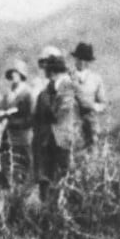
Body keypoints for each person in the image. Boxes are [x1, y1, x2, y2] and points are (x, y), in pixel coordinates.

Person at [31, 46, 77, 202]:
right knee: (45, 179)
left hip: (63, 141)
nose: (50, 75)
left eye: (52, 72)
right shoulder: (44, 93)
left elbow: (59, 114)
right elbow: (36, 120)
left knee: (64, 178)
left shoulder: (67, 89)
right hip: (45, 141)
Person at [0, 60, 35, 183]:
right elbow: (1, 110)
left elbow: (31, 118)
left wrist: (13, 122)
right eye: (12, 74)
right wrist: (2, 117)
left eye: (16, 73)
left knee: (24, 165)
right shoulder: (8, 94)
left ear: (22, 75)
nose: (13, 76)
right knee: (9, 164)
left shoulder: (28, 93)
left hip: (24, 136)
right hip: (9, 136)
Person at [70, 42, 107, 149]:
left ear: (89, 61)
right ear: (75, 59)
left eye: (85, 59)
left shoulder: (96, 79)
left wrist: (94, 106)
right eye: (79, 58)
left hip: (90, 124)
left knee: (91, 152)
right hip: (71, 122)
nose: (82, 62)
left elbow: (103, 103)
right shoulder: (68, 77)